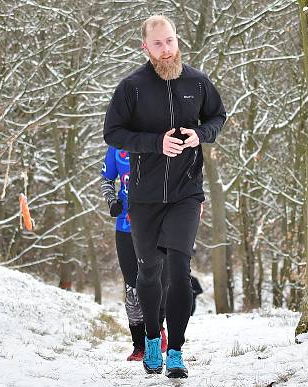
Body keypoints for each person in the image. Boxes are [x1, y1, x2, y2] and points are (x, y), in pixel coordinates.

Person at [103, 14, 226, 379]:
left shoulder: (197, 81)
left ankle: (176, 351)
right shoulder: (133, 87)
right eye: (158, 44)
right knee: (149, 272)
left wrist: (200, 134)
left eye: (170, 41)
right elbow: (113, 133)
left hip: (187, 192)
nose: (166, 49)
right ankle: (152, 339)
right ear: (146, 47)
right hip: (143, 196)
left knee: (179, 268)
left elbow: (218, 116)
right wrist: (156, 144)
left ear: (177, 41)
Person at [100, 146, 169, 361]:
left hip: (156, 224)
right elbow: (106, 180)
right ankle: (139, 344)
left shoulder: (157, 140)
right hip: (125, 225)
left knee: (157, 279)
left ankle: (157, 328)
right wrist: (112, 201)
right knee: (132, 286)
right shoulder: (116, 148)